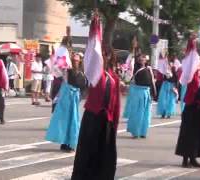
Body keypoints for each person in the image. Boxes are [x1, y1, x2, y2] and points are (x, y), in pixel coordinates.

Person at [72, 14, 120, 180]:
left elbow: (117, 103)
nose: (104, 57)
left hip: (107, 120)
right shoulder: (95, 73)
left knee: (105, 154)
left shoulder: (114, 77)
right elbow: (92, 53)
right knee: (88, 152)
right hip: (93, 117)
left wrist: (115, 121)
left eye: (106, 55)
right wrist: (95, 25)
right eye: (102, 54)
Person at [176, 34, 200, 168]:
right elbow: (191, 61)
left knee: (199, 135)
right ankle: (185, 159)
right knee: (188, 135)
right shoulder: (193, 81)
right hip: (191, 109)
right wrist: (192, 43)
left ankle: (193, 158)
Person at [46, 53, 86, 152]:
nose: (75, 61)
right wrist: (56, 60)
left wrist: (80, 96)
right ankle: (64, 142)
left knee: (73, 121)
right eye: (73, 59)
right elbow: (55, 70)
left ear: (80, 61)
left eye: (77, 60)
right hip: (65, 98)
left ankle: (71, 143)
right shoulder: (66, 70)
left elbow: (83, 88)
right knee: (64, 121)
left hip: (74, 99)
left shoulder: (82, 73)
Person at [123, 53, 156, 138]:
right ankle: (135, 131)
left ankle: (143, 132)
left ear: (146, 60)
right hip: (138, 92)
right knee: (137, 112)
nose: (142, 59)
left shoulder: (148, 69)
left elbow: (152, 82)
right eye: (140, 58)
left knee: (146, 113)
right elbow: (129, 72)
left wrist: (153, 93)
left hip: (146, 92)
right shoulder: (136, 68)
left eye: (143, 58)